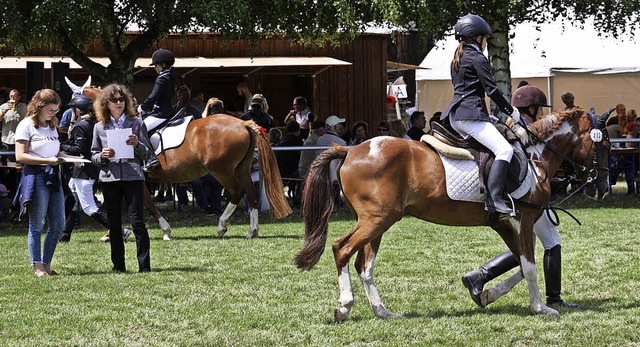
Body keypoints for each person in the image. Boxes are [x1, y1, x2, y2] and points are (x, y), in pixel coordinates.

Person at [461, 84, 577, 308]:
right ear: (531, 108)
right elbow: (531, 166)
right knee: (551, 242)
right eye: (539, 108)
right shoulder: (525, 129)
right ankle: (553, 298)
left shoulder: (516, 126)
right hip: (526, 197)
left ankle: (480, 275)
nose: (541, 113)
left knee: (526, 247)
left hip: (524, 194)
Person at [441, 13, 521, 219]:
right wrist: (510, 110)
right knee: (504, 150)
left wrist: (489, 117)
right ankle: (494, 199)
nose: (486, 43)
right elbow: (491, 91)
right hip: (470, 117)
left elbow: (468, 91)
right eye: (485, 39)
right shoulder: (477, 58)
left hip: (456, 116)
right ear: (478, 38)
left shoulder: (457, 59)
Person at [91, 84, 153, 273]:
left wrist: (137, 145)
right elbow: (93, 156)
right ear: (106, 103)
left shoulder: (137, 123)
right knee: (115, 224)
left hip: (133, 177)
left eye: (121, 99)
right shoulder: (99, 127)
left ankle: (144, 266)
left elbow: (148, 154)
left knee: (137, 222)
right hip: (110, 179)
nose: (119, 103)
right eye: (114, 100)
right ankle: (118, 266)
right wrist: (102, 155)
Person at [59, 93, 131, 242]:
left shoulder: (80, 126)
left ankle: (120, 231)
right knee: (74, 202)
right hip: (89, 170)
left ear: (77, 110)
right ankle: (65, 235)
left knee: (89, 208)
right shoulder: (94, 124)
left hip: (83, 171)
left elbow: (79, 148)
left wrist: (59, 145)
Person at [14, 89, 70, 277]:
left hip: (53, 175)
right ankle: (37, 266)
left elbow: (55, 151)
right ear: (39, 106)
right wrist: (47, 161)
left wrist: (70, 157)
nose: (54, 114)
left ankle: (46, 264)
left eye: (56, 110)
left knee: (58, 224)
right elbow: (20, 155)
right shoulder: (26, 125)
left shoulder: (52, 125)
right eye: (51, 110)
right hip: (36, 176)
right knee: (37, 223)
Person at [140, 48, 180, 134]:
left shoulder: (162, 78)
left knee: (140, 129)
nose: (155, 68)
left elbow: (153, 97)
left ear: (163, 64)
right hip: (170, 111)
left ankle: (146, 148)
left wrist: (142, 107)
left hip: (161, 114)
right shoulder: (172, 76)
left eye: (156, 65)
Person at [277, 121, 304, 199]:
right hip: (293, 170)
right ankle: (299, 197)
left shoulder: (282, 140)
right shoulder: (298, 140)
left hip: (281, 169)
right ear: (298, 130)